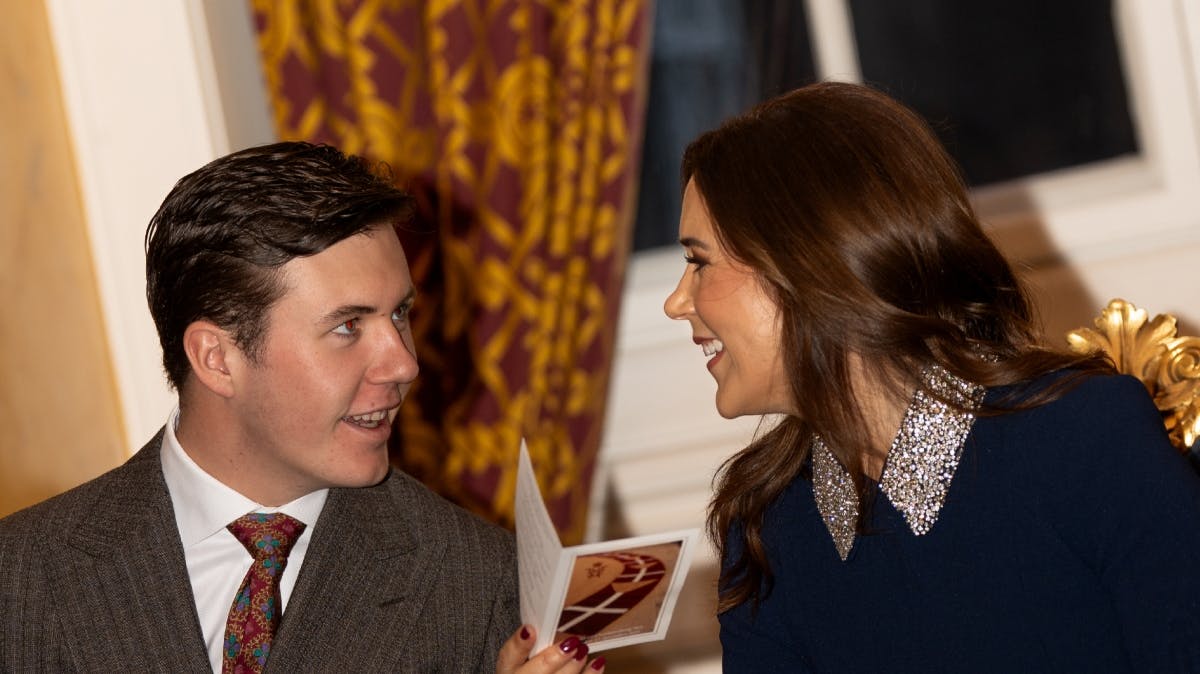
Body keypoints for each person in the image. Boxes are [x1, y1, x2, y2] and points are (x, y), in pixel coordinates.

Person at [0, 142, 604, 674]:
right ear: (217, 358)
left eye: (400, 314)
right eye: (348, 326)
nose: (404, 364)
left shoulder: (480, 583)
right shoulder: (21, 575)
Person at [663, 82, 1200, 671]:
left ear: (806, 264)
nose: (677, 302)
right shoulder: (769, 527)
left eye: (699, 262)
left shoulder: (1081, 440)